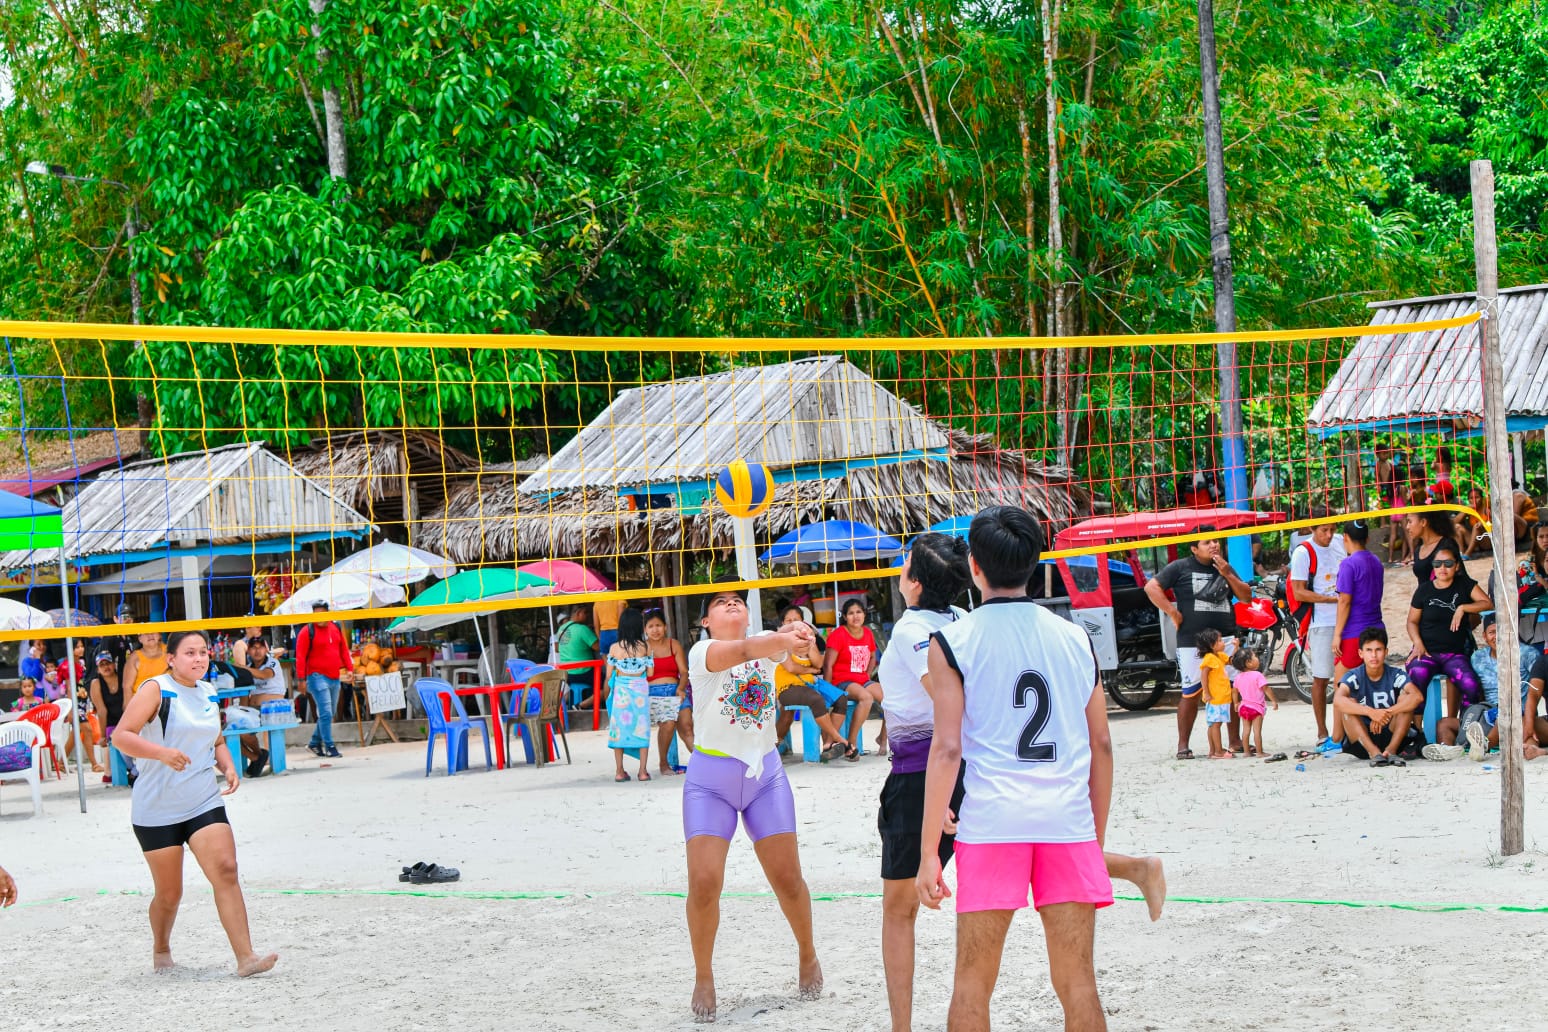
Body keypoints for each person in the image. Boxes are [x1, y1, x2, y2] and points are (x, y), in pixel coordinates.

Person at [916, 506, 1162, 1032]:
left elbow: (947, 750)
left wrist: (926, 856)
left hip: (992, 825)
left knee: (972, 985)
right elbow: (1102, 743)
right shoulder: (1074, 637)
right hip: (1065, 822)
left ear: (974, 567)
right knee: (1078, 984)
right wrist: (1092, 839)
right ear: (1034, 564)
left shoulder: (952, 642)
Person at [682, 587, 821, 1022]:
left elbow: (798, 655)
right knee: (705, 883)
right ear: (705, 621)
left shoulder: (766, 642)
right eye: (721, 602)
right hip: (710, 782)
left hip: (764, 776)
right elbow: (744, 649)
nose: (732, 604)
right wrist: (784, 638)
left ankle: (807, 953)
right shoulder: (703, 652)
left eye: (738, 600)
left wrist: (801, 633)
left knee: (789, 880)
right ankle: (704, 975)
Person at [108, 629, 277, 977]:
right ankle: (161, 947)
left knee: (226, 870)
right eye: (190, 653)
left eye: (203, 652)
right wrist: (162, 753)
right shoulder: (155, 689)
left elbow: (214, 738)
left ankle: (246, 958)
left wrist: (227, 765)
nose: (199, 659)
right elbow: (121, 737)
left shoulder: (208, 691)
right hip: (157, 807)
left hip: (202, 798)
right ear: (171, 658)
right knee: (170, 894)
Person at [874, 533, 974, 1032]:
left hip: (922, 778)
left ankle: (902, 1028)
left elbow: (945, 702)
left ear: (912, 582)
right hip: (967, 773)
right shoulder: (964, 621)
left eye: (905, 561)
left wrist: (945, 794)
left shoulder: (912, 629)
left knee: (898, 910)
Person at [1144, 531, 1251, 759]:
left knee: (1232, 689)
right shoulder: (1180, 567)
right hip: (1192, 641)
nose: (1213, 545)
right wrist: (1172, 611)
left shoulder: (1225, 566)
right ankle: (1183, 746)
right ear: (1194, 548)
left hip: (1226, 640)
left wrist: (1227, 574)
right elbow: (1151, 588)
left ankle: (1234, 741)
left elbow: (1246, 597)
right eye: (1207, 542)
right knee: (1191, 692)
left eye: (1216, 541)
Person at [1428, 615, 1541, 761]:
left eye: (1502, 631)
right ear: (1484, 637)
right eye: (1492, 632)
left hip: (1519, 714)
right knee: (1444, 724)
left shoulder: (1527, 654)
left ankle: (1483, 746)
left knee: (1506, 718)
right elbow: (1469, 684)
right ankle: (1449, 750)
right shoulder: (1478, 657)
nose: (1497, 636)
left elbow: (1539, 686)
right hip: (1487, 714)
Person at [1405, 543, 1491, 715]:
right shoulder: (1424, 590)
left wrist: (1463, 608)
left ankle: (1464, 727)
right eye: (1437, 564)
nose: (1442, 568)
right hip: (1427, 652)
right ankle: (1417, 731)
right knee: (1417, 676)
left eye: (1448, 564)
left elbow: (1487, 603)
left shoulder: (1464, 584)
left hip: (1454, 654)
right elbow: (1412, 622)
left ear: (1457, 565)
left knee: (1471, 686)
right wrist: (1417, 642)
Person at [1287, 510, 1344, 748]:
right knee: (1321, 677)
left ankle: (1348, 730)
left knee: (1348, 676)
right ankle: (1322, 731)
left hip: (1347, 617)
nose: (1329, 535)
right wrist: (1332, 600)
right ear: (1312, 528)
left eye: (1332, 529)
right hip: (1321, 621)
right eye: (1324, 530)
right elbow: (1299, 591)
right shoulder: (1303, 552)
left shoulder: (1341, 542)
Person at [1334, 628, 1426, 766]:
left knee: (1405, 699)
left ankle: (1391, 751)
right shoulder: (1354, 675)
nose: (1374, 655)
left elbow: (1417, 697)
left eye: (1378, 650)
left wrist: (1386, 714)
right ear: (1361, 653)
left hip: (1392, 735)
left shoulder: (1395, 674)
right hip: (1362, 740)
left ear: (1386, 652)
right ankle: (1374, 753)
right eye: (1369, 650)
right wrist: (1370, 712)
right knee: (1348, 703)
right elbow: (1337, 700)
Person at [772, 606, 849, 763]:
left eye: (796, 620)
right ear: (783, 624)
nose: (793, 624)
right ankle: (838, 737)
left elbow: (819, 664)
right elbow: (791, 668)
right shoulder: (779, 642)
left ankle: (828, 744)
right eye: (789, 620)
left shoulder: (808, 640)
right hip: (788, 687)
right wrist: (810, 669)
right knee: (815, 700)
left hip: (810, 683)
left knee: (841, 699)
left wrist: (809, 644)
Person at [822, 599, 883, 761]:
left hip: (862, 680)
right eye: (851, 613)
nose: (855, 616)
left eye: (859, 612)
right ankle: (852, 742)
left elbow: (871, 657)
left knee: (891, 699)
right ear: (845, 617)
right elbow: (828, 665)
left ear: (864, 614)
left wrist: (867, 675)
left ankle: (883, 738)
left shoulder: (868, 633)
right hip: (842, 681)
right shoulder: (839, 634)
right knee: (866, 697)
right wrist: (828, 691)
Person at [294, 601, 352, 759]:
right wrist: (301, 679)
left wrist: (350, 668)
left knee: (330, 712)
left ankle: (314, 742)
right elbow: (300, 657)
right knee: (326, 712)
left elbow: (343, 650)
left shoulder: (336, 628)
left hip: (334, 676)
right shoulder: (307, 632)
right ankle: (329, 745)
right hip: (316, 676)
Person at [605, 607, 654, 783]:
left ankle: (619, 771)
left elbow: (609, 675)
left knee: (619, 730)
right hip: (640, 691)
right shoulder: (646, 647)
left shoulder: (614, 648)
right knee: (642, 728)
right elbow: (649, 673)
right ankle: (642, 772)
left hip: (621, 693)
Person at [644, 610, 688, 776]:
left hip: (677, 690)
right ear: (645, 630)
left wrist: (681, 688)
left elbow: (684, 672)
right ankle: (664, 763)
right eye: (651, 626)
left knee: (688, 728)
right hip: (653, 693)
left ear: (665, 627)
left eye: (659, 626)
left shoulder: (673, 644)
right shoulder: (643, 647)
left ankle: (703, 766)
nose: (655, 630)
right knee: (668, 723)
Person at [237, 636, 287, 778]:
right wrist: (242, 713)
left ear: (266, 649)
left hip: (273, 710)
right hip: (255, 711)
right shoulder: (248, 666)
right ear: (248, 651)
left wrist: (243, 670)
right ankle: (257, 756)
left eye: (260, 647)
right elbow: (245, 692)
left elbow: (265, 675)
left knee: (243, 734)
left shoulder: (272, 663)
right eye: (253, 648)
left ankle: (257, 757)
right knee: (233, 733)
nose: (257, 651)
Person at [1194, 629, 1234, 760]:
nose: (1223, 643)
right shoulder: (1209, 659)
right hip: (1216, 698)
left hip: (1221, 697)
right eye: (1220, 640)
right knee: (1215, 724)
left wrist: (1236, 647)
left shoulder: (1219, 656)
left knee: (1213, 724)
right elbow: (1203, 676)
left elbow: (1232, 661)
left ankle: (1213, 751)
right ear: (1212, 645)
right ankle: (1218, 751)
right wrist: (1206, 692)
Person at [1231, 648, 1276, 758]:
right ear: (1249, 663)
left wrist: (1236, 703)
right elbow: (1266, 689)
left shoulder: (1238, 677)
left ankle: (1246, 752)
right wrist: (1274, 700)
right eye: (1255, 656)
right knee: (1257, 731)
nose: (1257, 659)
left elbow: (1234, 691)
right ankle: (1260, 752)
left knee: (1246, 730)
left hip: (1244, 707)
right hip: (1256, 707)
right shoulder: (1257, 675)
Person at [88, 650, 125, 783]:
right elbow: (102, 711)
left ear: (114, 665)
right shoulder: (96, 684)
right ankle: (109, 772)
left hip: (126, 718)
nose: (106, 667)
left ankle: (133, 769)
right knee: (110, 738)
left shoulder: (124, 678)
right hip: (110, 722)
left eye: (108, 663)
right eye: (101, 664)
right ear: (98, 669)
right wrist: (102, 735)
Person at [555, 604, 600, 706]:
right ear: (579, 613)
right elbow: (598, 647)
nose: (588, 615)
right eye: (586, 612)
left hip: (567, 674)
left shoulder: (562, 629)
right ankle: (582, 705)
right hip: (583, 673)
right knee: (608, 684)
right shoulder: (582, 629)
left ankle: (567, 704)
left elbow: (558, 649)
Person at [1405, 510, 1460, 584]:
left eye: (1410, 522)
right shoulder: (1418, 550)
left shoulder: (1446, 545)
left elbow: (1461, 578)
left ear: (1423, 522)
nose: (1407, 527)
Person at [122, 631, 169, 698]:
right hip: (142, 700)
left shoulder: (169, 651)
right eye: (146, 633)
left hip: (167, 698)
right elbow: (127, 687)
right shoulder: (134, 658)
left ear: (159, 635)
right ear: (140, 639)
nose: (150, 635)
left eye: (153, 631)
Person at [1457, 486, 1492, 556]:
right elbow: (1455, 522)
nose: (1474, 500)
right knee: (1457, 527)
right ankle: (1461, 554)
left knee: (1477, 527)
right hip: (1474, 543)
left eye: (1477, 497)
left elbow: (1493, 523)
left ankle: (1467, 554)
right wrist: (1466, 510)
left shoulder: (1486, 508)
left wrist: (1483, 524)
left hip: (1487, 541)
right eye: (1471, 498)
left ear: (1482, 498)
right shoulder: (1469, 510)